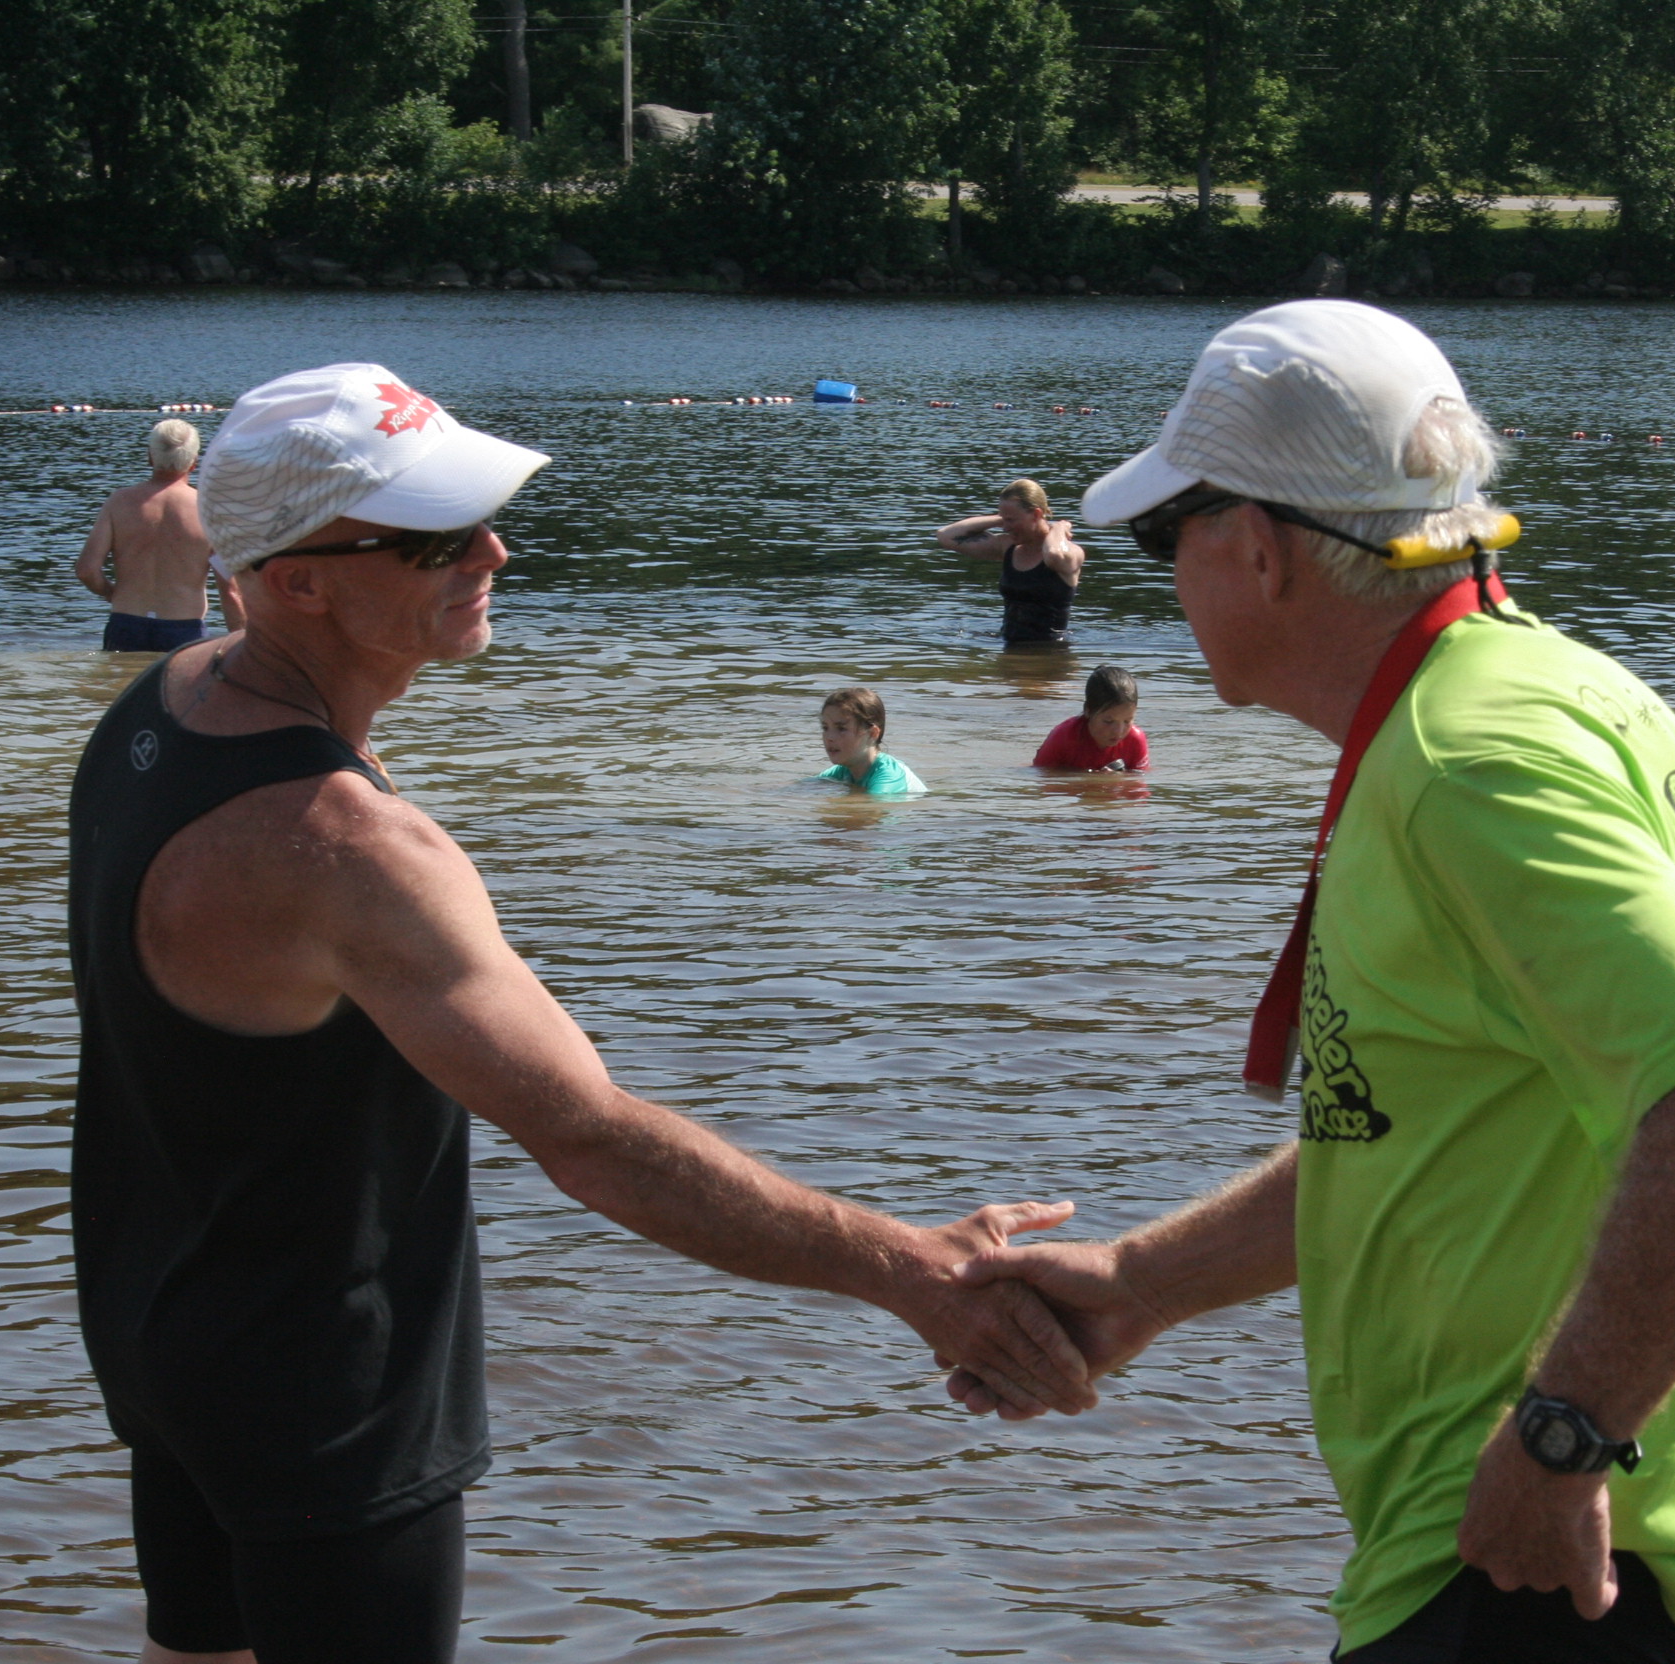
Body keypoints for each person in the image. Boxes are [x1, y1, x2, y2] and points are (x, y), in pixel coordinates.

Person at [67, 363, 1085, 1664]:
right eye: (435, 535)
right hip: (328, 1403)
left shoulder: (156, 713)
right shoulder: (345, 849)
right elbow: (590, 1137)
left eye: (481, 514)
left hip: (168, 1343)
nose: (493, 548)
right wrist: (918, 1273)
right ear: (298, 579)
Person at [946, 302, 1675, 1664]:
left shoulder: (1470, 761)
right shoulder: (1548, 690)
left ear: (1256, 547)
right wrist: (1143, 1281)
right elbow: (1423, 1128)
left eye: (1161, 537)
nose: (1163, 579)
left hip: (1541, 1566)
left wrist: (1561, 1443)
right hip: (1538, 1552)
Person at [75, 419, 245, 653]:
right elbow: (230, 591)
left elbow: (86, 570)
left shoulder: (120, 502)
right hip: (184, 628)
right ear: (194, 462)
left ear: (150, 457)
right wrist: (245, 646)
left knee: (121, 686)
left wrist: (111, 593)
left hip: (126, 623)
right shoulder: (209, 510)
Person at [935, 478, 1085, 646]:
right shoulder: (1008, 547)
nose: (1005, 528)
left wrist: (1058, 528)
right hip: (1009, 649)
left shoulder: (1072, 553)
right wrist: (1003, 518)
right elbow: (946, 536)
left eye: (1011, 520)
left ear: (1036, 514)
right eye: (1003, 520)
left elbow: (1053, 553)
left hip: (1050, 655)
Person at [1033, 664, 1148, 771]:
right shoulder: (1062, 737)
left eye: (1127, 721)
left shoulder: (1135, 740)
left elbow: (1139, 787)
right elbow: (1041, 776)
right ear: (1087, 711)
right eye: (1108, 721)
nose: (1119, 731)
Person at [818, 685, 927, 794]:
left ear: (872, 733)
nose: (829, 737)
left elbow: (871, 808)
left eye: (841, 728)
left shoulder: (889, 776)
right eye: (825, 728)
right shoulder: (843, 771)